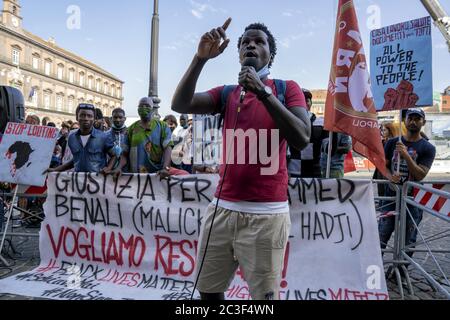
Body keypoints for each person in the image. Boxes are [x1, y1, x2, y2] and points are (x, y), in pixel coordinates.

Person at [171, 18, 310, 300]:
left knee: (263, 298)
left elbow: (301, 137)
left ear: (270, 54)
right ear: (237, 54)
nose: (251, 45)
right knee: (209, 292)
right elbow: (180, 104)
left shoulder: (286, 89)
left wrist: (262, 91)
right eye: (245, 42)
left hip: (267, 215)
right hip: (221, 211)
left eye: (259, 41)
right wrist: (200, 59)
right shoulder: (226, 94)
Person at [379, 108, 436, 257]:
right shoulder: (392, 142)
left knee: (408, 239)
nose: (413, 122)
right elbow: (382, 166)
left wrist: (406, 155)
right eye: (410, 118)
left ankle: (402, 271)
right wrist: (390, 176)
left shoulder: (428, 148)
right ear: (405, 120)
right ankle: (376, 267)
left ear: (423, 122)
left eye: (417, 119)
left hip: (413, 199)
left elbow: (420, 174)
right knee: (382, 234)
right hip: (391, 197)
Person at [46, 104, 115, 173]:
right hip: (79, 181)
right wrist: (56, 169)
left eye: (89, 116)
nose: (86, 118)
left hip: (97, 181)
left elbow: (114, 155)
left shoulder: (103, 137)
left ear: (94, 119)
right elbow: (76, 160)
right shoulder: (72, 138)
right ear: (77, 117)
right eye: (82, 115)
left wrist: (108, 168)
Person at [127, 97, 173, 178]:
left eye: (147, 106)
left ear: (152, 109)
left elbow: (168, 148)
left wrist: (166, 168)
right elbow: (124, 152)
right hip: (136, 178)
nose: (144, 108)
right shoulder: (131, 129)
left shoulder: (163, 127)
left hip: (156, 176)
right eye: (141, 106)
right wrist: (119, 168)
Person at [104, 108, 129, 175]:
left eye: (120, 117)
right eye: (115, 117)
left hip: (127, 172)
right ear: (111, 118)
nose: (118, 120)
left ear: (125, 118)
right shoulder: (105, 135)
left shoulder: (130, 134)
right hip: (109, 172)